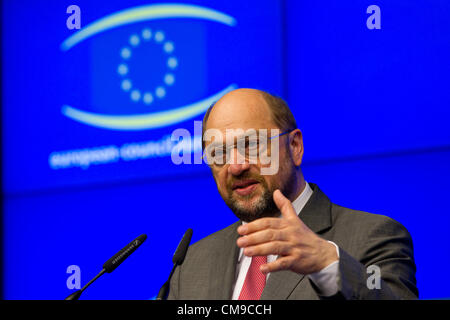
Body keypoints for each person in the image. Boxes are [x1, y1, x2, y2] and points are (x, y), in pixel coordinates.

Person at [168, 88, 418, 300]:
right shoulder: (191, 265)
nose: (236, 166)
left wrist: (327, 263)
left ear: (295, 146)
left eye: (251, 144)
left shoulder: (372, 238)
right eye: (218, 153)